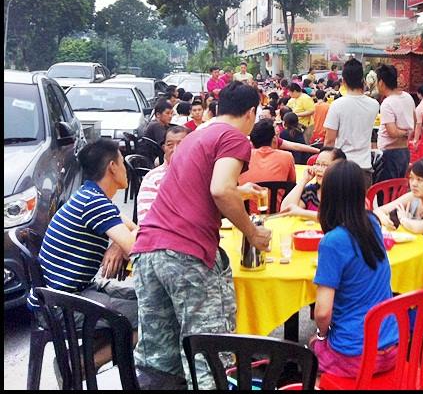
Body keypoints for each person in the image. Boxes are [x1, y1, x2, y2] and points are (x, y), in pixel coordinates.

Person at [132, 81, 272, 389]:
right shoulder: (234, 137)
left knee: (159, 360)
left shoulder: (197, 135)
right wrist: (252, 232)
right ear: (251, 113)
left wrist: (239, 191)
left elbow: (204, 187)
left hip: (148, 251)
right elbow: (220, 189)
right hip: (186, 255)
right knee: (209, 357)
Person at [32, 138, 139, 371]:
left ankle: (76, 363)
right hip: (61, 305)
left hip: (63, 295)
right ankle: (75, 368)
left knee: (142, 300)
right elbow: (138, 248)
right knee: (152, 315)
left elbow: (136, 231)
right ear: (112, 166)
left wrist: (118, 245)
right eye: (122, 162)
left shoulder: (89, 196)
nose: (125, 169)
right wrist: (123, 243)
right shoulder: (95, 203)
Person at [310, 160, 399, 379]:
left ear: (328, 196)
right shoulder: (373, 224)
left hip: (356, 356)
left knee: (309, 352)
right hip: (391, 348)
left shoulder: (333, 241)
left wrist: (321, 336)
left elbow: (322, 312)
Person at [324, 58, 380, 191]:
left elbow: (329, 140)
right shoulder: (374, 105)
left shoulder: (337, 105)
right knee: (360, 209)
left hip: (341, 167)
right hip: (364, 167)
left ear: (343, 81)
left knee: (340, 209)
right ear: (363, 80)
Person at [373, 158, 423, 241]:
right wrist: (383, 217)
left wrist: (403, 219)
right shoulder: (413, 196)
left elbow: (419, 228)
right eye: (411, 178)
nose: (413, 184)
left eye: (419, 180)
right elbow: (378, 210)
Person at [137, 125, 190, 224]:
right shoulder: (153, 178)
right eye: (170, 145)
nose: (175, 149)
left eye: (181, 144)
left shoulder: (200, 175)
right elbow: (146, 220)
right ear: (164, 148)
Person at [375, 64, 416, 183]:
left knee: (387, 191)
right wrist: (408, 132)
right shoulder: (408, 97)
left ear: (381, 83)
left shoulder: (387, 103)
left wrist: (403, 133)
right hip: (404, 151)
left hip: (389, 155)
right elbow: (415, 120)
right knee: (398, 189)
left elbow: (392, 132)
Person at [281, 147, 346, 219]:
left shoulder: (344, 194)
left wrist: (302, 213)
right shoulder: (311, 192)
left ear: (339, 168)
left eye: (325, 165)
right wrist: (304, 181)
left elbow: (338, 219)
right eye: (317, 164)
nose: (318, 169)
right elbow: (285, 210)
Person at [238, 119, 296, 186]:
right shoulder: (287, 157)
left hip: (245, 196)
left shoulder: (242, 157)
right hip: (276, 196)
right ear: (274, 139)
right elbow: (292, 184)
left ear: (252, 142)